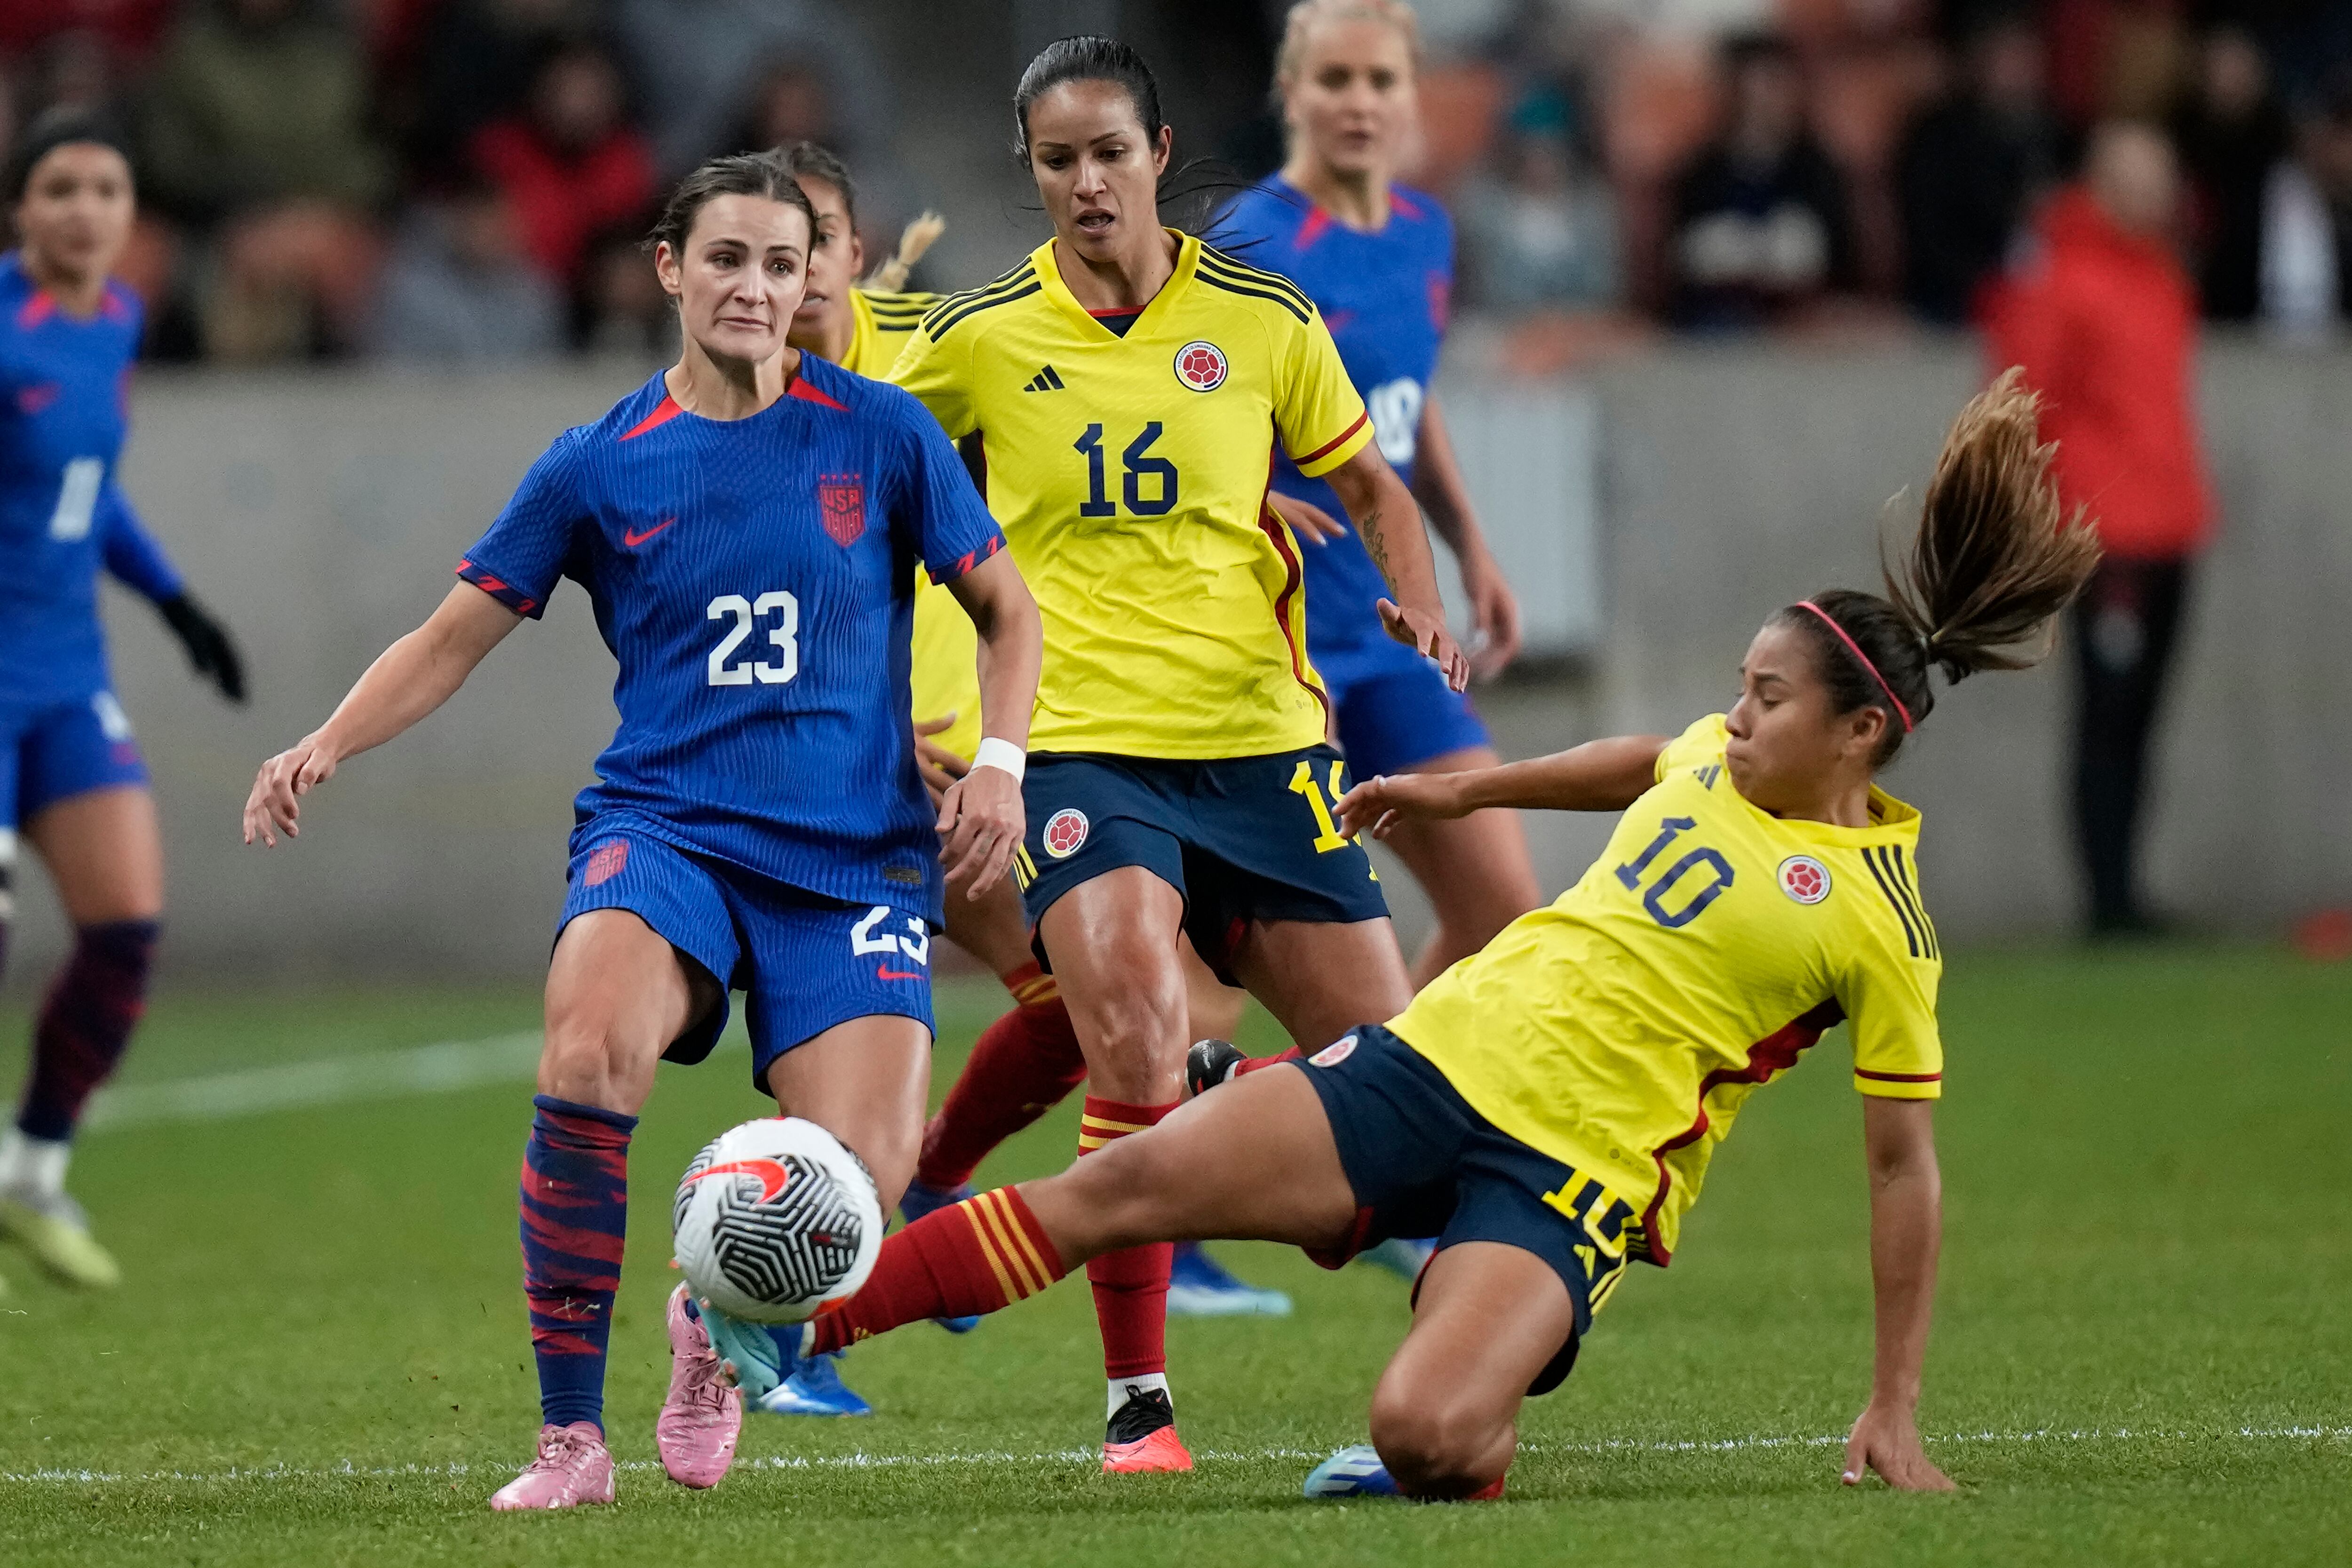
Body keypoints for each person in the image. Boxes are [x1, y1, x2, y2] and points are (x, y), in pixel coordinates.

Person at [716, 371, 2101, 1502]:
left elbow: (1900, 1168)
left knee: (1423, 1437)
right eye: (1738, 688)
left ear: (1858, 735)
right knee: (1114, 1184)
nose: (1734, 718)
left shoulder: (1880, 920)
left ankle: (1475, 1334)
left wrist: (1893, 1404)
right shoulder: (1715, 759)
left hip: (1567, 1179)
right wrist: (1466, 789)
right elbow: (1641, 758)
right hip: (1428, 1064)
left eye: (1766, 700)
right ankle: (774, 1331)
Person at [241, 151, 1042, 1510]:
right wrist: (326, 740)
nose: (755, 287)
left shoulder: (885, 434)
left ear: (811, 280)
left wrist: (1002, 767)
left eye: (782, 264)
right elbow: (451, 637)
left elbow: (1008, 613)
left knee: (863, 1182)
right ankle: (570, 1439)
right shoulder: (597, 462)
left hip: (852, 855)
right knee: (589, 1049)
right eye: (727, 258)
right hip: (666, 833)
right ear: (670, 268)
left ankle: (712, 1329)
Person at [868, 35, 1468, 1474]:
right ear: (1032, 172)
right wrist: (890, 710)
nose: (1086, 183)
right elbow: (862, 505)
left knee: (1403, 1109)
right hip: (1078, 745)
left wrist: (1423, 603)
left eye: (1108, 154)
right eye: (1056, 161)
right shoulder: (980, 339)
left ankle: (1448, 1405)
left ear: (1158, 153)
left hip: (1259, 746)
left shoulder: (1261, 317)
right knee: (1129, 1016)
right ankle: (1139, 1402)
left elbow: (1371, 483)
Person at [0, 110, 245, 1297]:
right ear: (20, 208)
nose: (86, 209)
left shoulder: (117, 322)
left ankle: (31, 1173)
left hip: (65, 677)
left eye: (107, 187)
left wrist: (177, 604)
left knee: (126, 926)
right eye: (61, 187)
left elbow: (88, 493)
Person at [1982, 122, 2214, 937]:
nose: (2159, 195)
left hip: (2170, 524)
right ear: (2103, 183)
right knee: (2109, 714)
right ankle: (2107, 898)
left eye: (2164, 178)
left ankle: (2126, 888)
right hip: (2105, 531)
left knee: (2142, 714)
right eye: (2143, 179)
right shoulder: (2059, 275)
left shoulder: (2162, 273)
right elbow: (2020, 400)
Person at [1667, 33, 1856, 332]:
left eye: (1777, 87)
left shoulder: (1819, 172)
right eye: (1754, 89)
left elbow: (1839, 266)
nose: (1765, 102)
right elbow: (1682, 264)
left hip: (1804, 325)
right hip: (1716, 324)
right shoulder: (1701, 174)